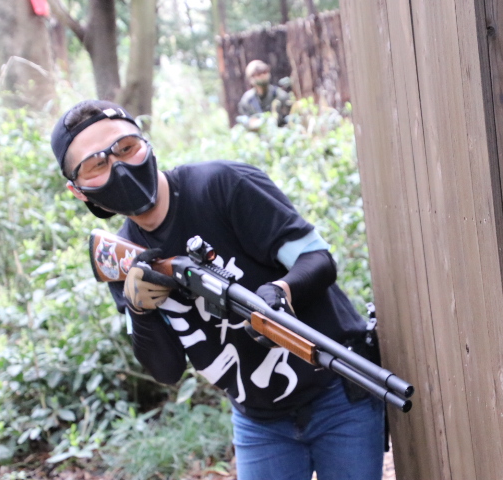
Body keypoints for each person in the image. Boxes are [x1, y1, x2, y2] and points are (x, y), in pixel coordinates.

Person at [50, 99, 384, 480]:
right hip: (258, 422)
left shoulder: (222, 185)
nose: (120, 167)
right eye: (96, 164)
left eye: (126, 147)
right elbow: (166, 369)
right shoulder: (122, 257)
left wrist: (281, 291)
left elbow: (317, 259)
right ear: (78, 190)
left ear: (146, 142)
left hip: (338, 392)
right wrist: (139, 311)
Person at [237, 59, 291, 127]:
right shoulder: (247, 100)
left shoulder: (281, 96)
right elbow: (245, 121)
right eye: (258, 73)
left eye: (265, 71)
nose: (263, 75)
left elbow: (289, 120)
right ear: (251, 78)